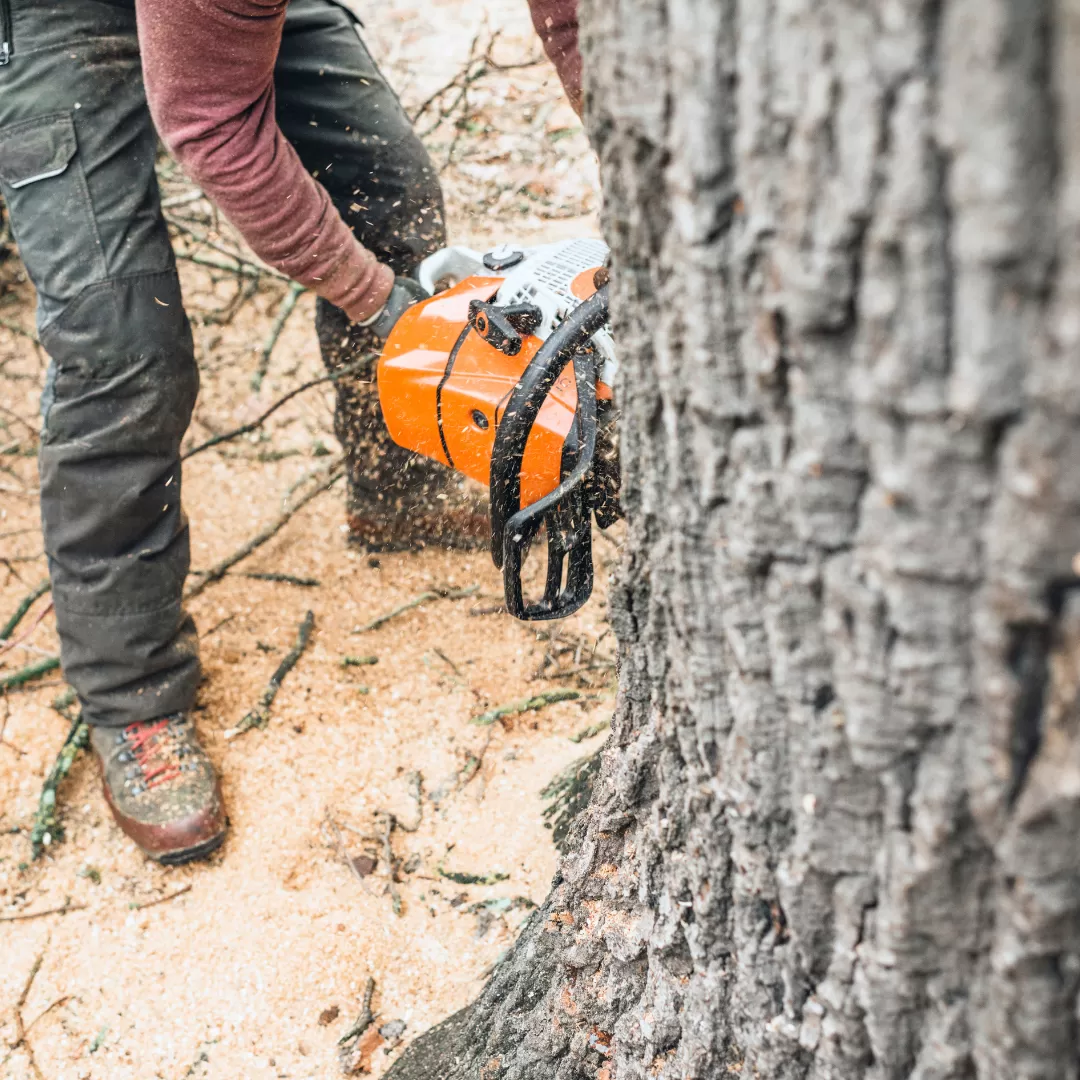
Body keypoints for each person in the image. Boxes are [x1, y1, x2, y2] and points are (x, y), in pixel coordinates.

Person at [0, 0, 581, 864]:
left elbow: (577, 19)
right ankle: (131, 693)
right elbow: (211, 121)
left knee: (386, 181)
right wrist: (385, 307)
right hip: (60, 17)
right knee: (125, 341)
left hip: (210, 15)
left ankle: (397, 492)